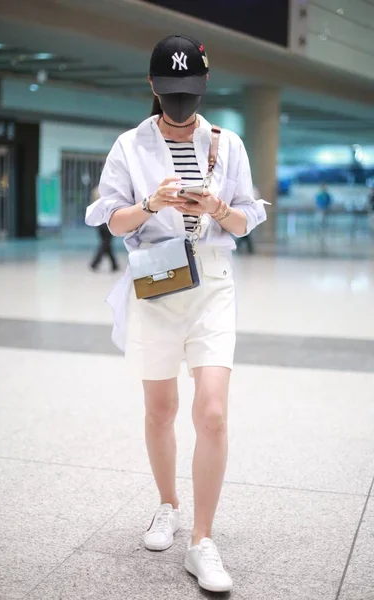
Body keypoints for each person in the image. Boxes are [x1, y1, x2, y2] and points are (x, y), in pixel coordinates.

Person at [85, 34, 267, 593]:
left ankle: (202, 540)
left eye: (188, 92)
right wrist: (150, 205)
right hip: (157, 279)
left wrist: (217, 207)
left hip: (211, 281)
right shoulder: (130, 146)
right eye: (170, 92)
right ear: (153, 86)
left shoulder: (227, 143)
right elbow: (108, 220)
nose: (180, 104)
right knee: (160, 409)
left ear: (203, 86)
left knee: (211, 413)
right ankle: (167, 504)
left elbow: (246, 221)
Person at [89, 186, 119, 272]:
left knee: (106, 242)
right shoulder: (110, 191)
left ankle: (114, 265)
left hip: (98, 219)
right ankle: (95, 263)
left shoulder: (95, 190)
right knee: (106, 242)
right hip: (107, 219)